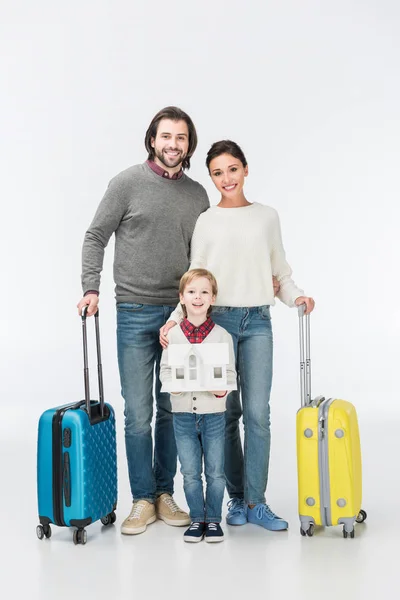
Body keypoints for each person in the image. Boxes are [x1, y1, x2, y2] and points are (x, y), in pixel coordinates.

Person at [160, 140, 315, 532]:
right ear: (211, 177)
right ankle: (234, 499)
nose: (226, 178)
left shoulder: (267, 217)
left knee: (259, 415)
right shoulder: (207, 220)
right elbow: (196, 275)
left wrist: (296, 296)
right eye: (217, 172)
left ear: (245, 169)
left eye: (232, 169)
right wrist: (176, 318)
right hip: (218, 325)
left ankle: (256, 501)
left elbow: (279, 271)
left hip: (258, 321)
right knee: (226, 413)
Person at [77, 106, 210, 535]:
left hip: (179, 316)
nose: (174, 144)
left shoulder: (197, 195)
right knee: (138, 413)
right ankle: (140, 500)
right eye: (166, 136)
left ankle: (163, 493)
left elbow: (203, 258)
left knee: (172, 409)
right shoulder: (127, 183)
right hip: (134, 311)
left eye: (182, 138)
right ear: (153, 139)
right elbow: (96, 234)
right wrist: (91, 288)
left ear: (189, 146)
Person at [160, 268, 236, 543]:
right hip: (182, 416)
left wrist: (221, 391)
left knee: (215, 471)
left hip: (214, 415)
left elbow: (229, 374)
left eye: (204, 292)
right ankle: (197, 518)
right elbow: (165, 373)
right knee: (190, 471)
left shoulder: (222, 337)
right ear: (182, 298)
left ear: (213, 298)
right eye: (192, 292)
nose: (198, 297)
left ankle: (213, 519)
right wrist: (174, 386)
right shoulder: (173, 336)